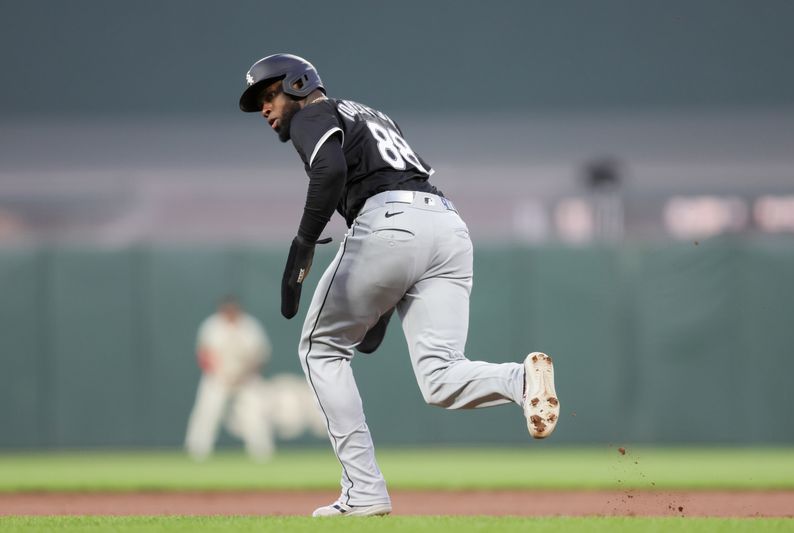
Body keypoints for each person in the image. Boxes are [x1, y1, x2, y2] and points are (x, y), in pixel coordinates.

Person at [238, 54, 559, 517]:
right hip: (448, 227)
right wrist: (381, 304)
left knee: (321, 350)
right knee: (441, 379)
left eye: (269, 96)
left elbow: (329, 171)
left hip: (388, 223)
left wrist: (304, 244)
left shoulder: (314, 111)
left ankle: (364, 491)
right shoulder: (373, 114)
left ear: (299, 83)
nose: (265, 110)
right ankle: (519, 379)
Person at [185, 296, 274, 461]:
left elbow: (261, 356)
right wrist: (219, 374)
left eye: (233, 310)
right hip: (218, 377)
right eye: (227, 310)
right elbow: (203, 355)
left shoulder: (250, 326)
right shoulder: (212, 326)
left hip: (246, 378)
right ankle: (197, 451)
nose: (230, 313)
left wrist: (244, 375)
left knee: (255, 414)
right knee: (207, 413)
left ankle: (262, 453)